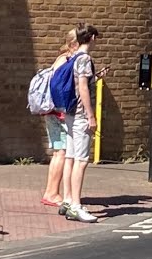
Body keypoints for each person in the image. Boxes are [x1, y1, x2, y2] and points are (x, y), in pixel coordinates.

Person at [59, 23, 106, 223]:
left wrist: (96, 77)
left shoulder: (74, 57)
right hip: (80, 115)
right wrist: (91, 115)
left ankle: (68, 200)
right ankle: (76, 206)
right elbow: (83, 89)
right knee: (82, 160)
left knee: (70, 156)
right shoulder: (85, 58)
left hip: (69, 113)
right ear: (92, 38)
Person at [42, 26, 78, 207]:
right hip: (59, 113)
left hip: (53, 112)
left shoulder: (61, 59)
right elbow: (60, 87)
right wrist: (63, 110)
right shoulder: (66, 60)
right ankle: (52, 193)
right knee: (61, 153)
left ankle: (51, 191)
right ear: (73, 44)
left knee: (59, 152)